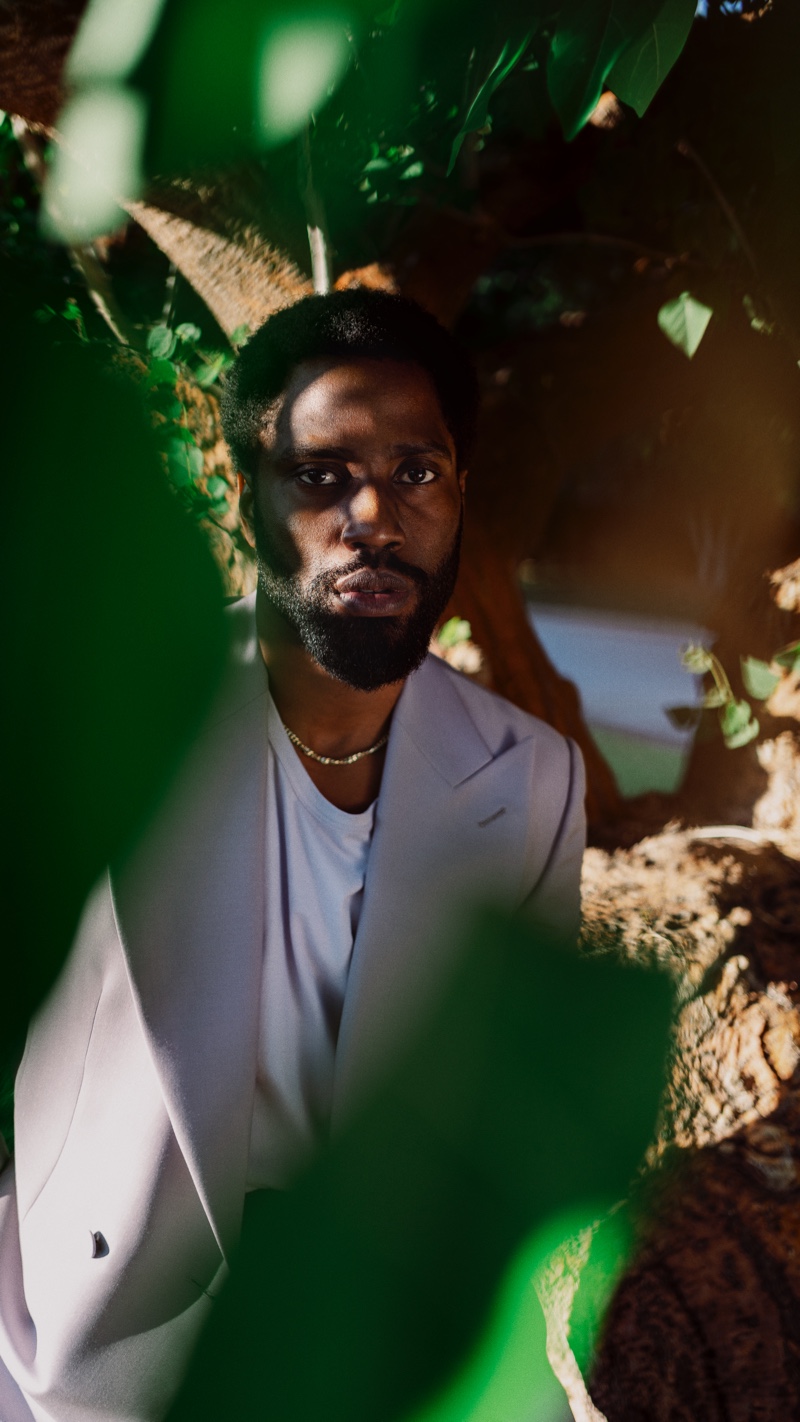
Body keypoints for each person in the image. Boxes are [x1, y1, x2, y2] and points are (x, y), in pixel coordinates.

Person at [0, 290, 585, 1422]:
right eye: (320, 475)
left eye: (417, 472)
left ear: (461, 493)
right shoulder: (107, 712)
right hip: (84, 1353)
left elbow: (504, 1138)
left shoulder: (529, 778)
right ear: (246, 498)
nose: (373, 513)